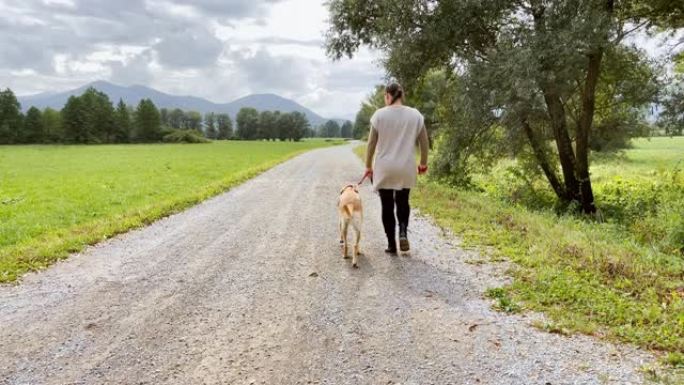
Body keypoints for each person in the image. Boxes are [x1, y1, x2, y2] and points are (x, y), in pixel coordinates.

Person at [364, 82, 429, 254]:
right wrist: (423, 163)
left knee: (386, 205)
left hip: (384, 167)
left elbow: (371, 144)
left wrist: (368, 166)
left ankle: (391, 245)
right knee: (402, 201)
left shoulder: (379, 115)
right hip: (405, 167)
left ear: (388, 95)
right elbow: (424, 142)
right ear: (401, 95)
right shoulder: (415, 115)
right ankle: (402, 231)